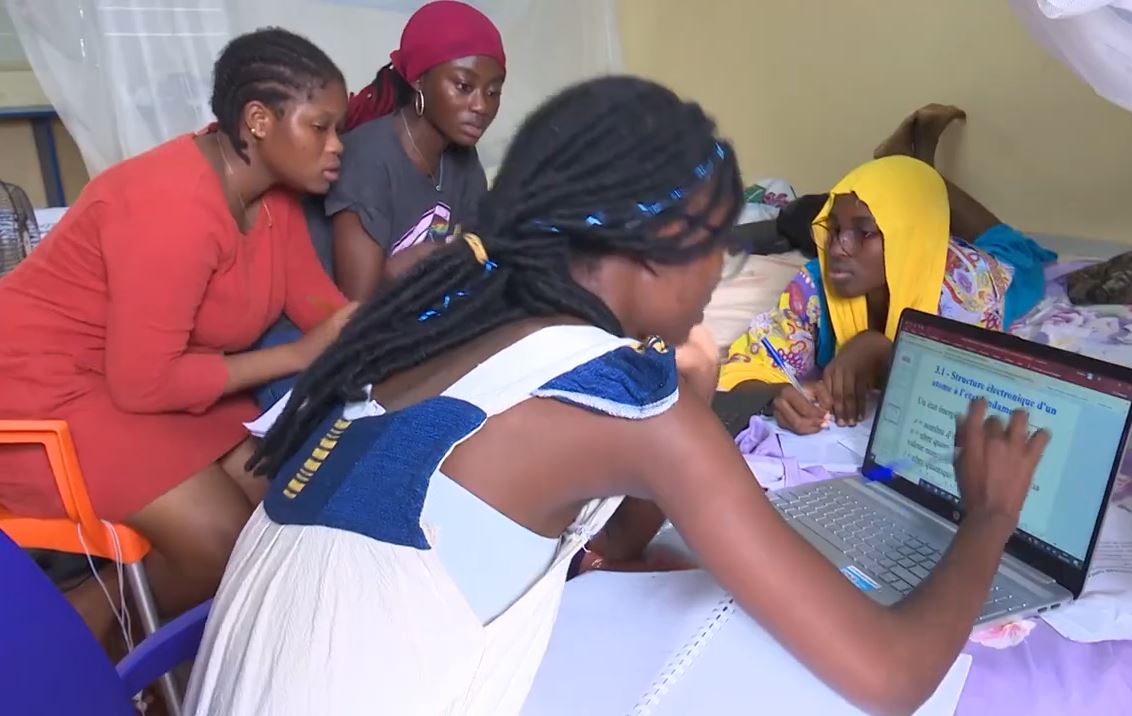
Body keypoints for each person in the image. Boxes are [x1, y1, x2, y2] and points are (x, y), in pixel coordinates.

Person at [185, 77, 1049, 716]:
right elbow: (894, 677)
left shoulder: (435, 325)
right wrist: (986, 518)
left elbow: (593, 540)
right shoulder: (632, 405)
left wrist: (693, 398)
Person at [0, 28, 355, 628]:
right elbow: (143, 382)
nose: (337, 146)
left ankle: (184, 657)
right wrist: (298, 355)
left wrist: (415, 327)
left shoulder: (273, 198)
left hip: (131, 380)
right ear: (259, 120)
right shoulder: (171, 206)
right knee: (220, 542)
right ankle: (59, 668)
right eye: (321, 128)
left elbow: (321, 307)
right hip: (43, 390)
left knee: (278, 490)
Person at [719, 105, 1057, 434]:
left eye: (864, 232)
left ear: (906, 241)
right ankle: (911, 168)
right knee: (915, 200)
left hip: (989, 269)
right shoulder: (815, 285)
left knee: (1016, 249)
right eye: (833, 228)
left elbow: (967, 396)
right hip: (916, 242)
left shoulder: (968, 290)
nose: (838, 247)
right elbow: (746, 366)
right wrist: (775, 395)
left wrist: (881, 349)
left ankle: (918, 167)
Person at [251, 0, 505, 408]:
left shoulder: (464, 163)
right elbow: (357, 303)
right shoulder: (368, 158)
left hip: (397, 324)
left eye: (494, 92)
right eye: (464, 86)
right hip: (314, 331)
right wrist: (421, 263)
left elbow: (475, 259)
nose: (482, 105)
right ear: (420, 81)